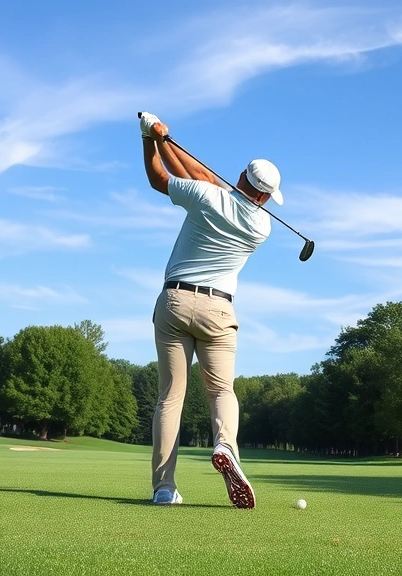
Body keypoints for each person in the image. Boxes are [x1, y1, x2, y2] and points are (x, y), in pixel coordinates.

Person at [139, 111, 282, 509]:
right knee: (221, 390)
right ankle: (225, 445)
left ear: (240, 177)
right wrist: (167, 140)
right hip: (219, 311)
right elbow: (205, 177)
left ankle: (164, 489)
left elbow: (159, 179)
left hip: (175, 302)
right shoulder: (263, 226)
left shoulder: (208, 197)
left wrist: (151, 139)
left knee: (170, 398)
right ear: (266, 197)